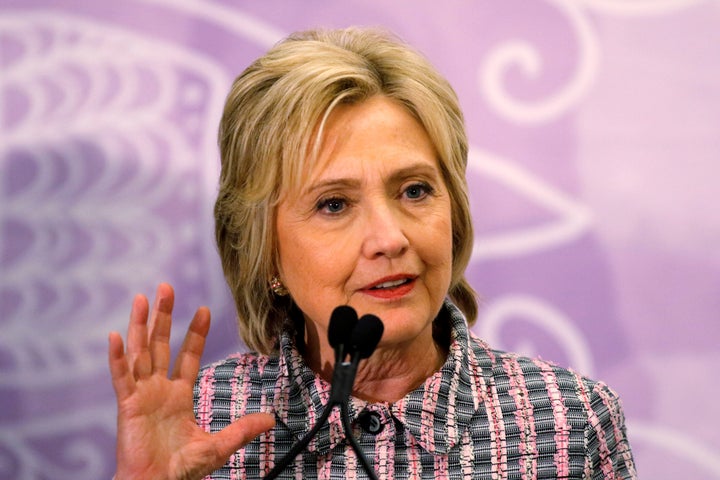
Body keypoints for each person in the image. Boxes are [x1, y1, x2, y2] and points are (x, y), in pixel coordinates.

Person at [108, 27, 637, 479]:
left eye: (414, 191)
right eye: (334, 204)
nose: (389, 238)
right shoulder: (203, 420)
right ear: (266, 254)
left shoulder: (569, 424)